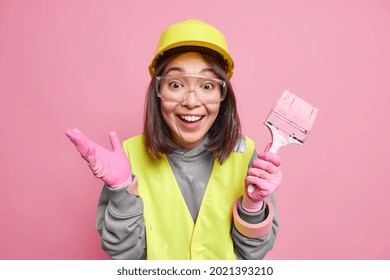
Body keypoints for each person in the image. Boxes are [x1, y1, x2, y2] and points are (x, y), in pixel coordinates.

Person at [65, 19, 282, 260]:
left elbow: (255, 254)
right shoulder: (127, 157)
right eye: (176, 84)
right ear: (158, 92)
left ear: (223, 95)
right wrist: (121, 191)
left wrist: (252, 206)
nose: (191, 101)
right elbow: (126, 258)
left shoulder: (245, 153)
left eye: (207, 85)